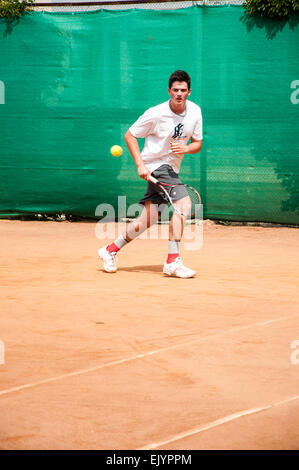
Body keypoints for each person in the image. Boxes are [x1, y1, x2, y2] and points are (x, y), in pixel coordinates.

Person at [99, 70, 202, 278]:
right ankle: (172, 261)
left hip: (172, 167)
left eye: (183, 90)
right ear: (169, 91)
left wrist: (185, 149)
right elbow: (130, 135)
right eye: (175, 90)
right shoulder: (156, 113)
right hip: (156, 165)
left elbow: (197, 144)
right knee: (184, 205)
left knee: (149, 218)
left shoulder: (196, 112)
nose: (179, 94)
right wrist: (140, 165)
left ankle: (109, 250)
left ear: (189, 92)